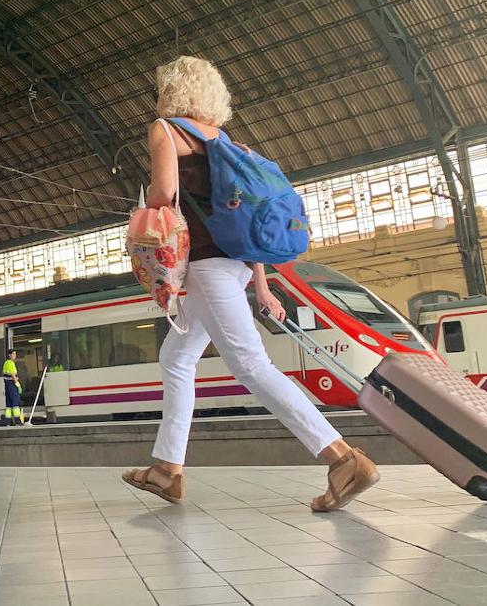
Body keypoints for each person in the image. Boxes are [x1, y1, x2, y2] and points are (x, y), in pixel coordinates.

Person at [122, 56, 380, 512]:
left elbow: (163, 194)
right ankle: (167, 469)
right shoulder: (227, 143)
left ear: (170, 90)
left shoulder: (166, 130)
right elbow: (242, 225)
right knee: (177, 358)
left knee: (251, 366)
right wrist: (260, 284)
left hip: (206, 269)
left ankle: (341, 457)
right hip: (234, 266)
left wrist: (141, 215)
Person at [2, 349, 25, 426]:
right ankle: (18, 421)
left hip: (7, 385)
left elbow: (7, 375)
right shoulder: (10, 363)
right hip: (12, 386)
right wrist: (18, 384)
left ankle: (7, 422)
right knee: (15, 404)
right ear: (9, 355)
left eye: (15, 354)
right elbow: (12, 375)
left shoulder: (6, 363)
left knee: (8, 405)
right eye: (13, 354)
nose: (15, 356)